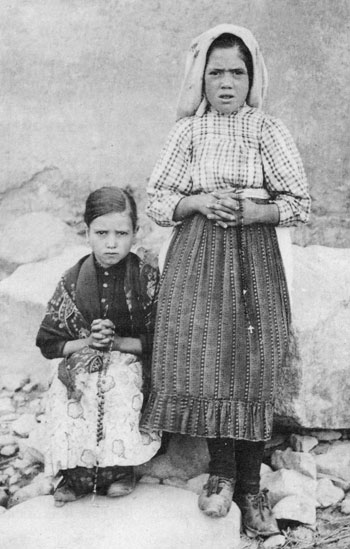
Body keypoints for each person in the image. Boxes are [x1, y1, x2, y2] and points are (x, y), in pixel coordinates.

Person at [140, 24, 310, 537]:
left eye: (238, 72)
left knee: (251, 362)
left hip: (254, 256)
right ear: (201, 79)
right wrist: (197, 201)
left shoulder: (268, 130)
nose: (227, 82)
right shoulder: (188, 132)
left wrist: (254, 212)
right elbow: (157, 199)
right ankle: (219, 473)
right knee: (207, 356)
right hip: (197, 255)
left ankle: (252, 485)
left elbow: (299, 204)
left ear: (251, 77)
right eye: (216, 72)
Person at [36, 186, 161, 506]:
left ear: (136, 232)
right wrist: (88, 342)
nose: (111, 243)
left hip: (131, 358)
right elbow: (49, 342)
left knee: (116, 381)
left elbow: (163, 339)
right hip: (81, 356)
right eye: (101, 232)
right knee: (70, 386)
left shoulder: (145, 276)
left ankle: (118, 469)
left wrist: (118, 343)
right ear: (86, 231)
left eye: (121, 233)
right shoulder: (73, 279)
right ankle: (76, 471)